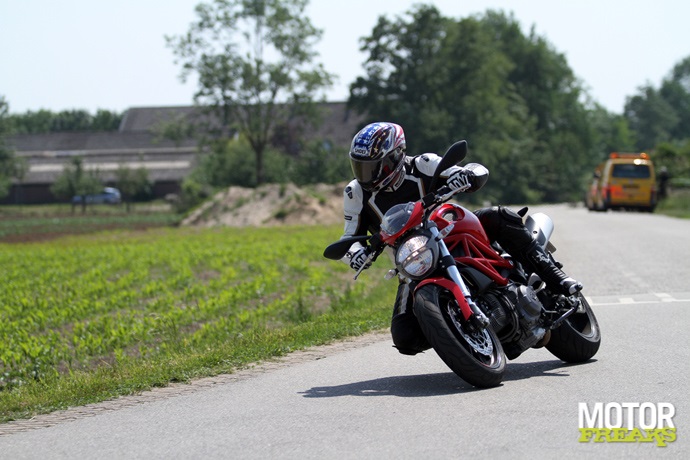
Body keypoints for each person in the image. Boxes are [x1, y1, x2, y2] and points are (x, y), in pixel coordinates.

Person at [340, 121, 582, 356]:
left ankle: (556, 277)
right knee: (405, 337)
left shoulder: (422, 164)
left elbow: (473, 170)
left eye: (374, 166)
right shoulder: (356, 193)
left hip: (449, 231)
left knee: (498, 216)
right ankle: (459, 331)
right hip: (415, 261)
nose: (366, 174)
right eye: (360, 167)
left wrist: (466, 175)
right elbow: (350, 236)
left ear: (395, 157)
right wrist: (355, 253)